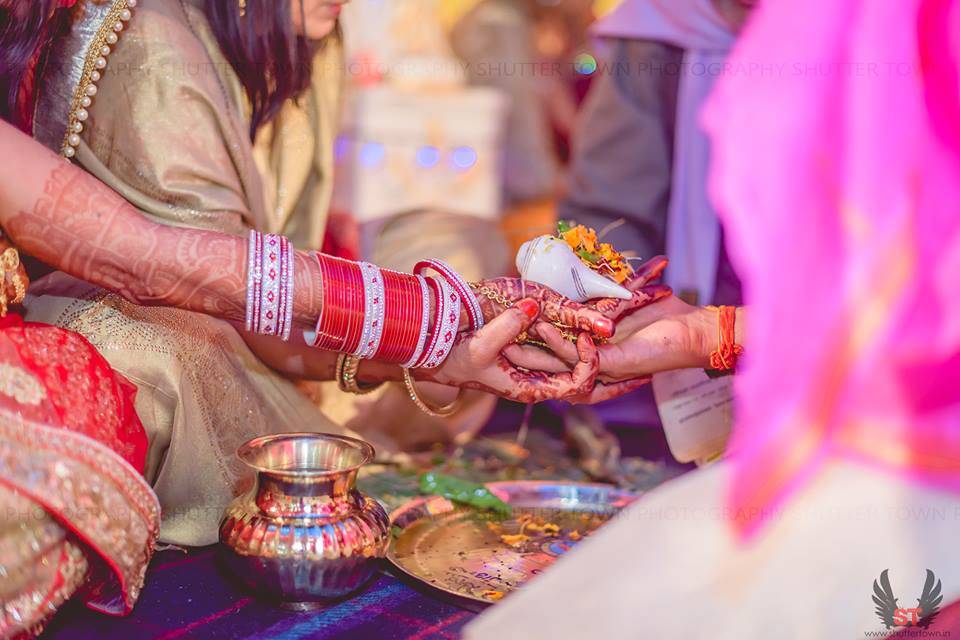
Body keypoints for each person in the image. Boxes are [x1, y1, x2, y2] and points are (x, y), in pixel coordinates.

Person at [0, 0, 665, 544]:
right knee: (157, 354)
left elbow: (256, 263)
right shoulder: (157, 52)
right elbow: (168, 270)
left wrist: (439, 323)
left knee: (458, 236)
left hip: (250, 309)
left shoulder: (299, 31)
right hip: (181, 323)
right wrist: (433, 326)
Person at [468, 0, 960, 637]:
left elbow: (911, 307)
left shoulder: (902, 34)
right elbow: (599, 226)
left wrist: (716, 335)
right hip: (691, 384)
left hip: (886, 423)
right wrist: (660, 316)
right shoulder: (661, 33)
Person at [560, 0, 755, 307]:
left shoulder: (845, 33)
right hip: (687, 306)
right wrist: (617, 303)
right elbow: (611, 206)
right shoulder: (657, 26)